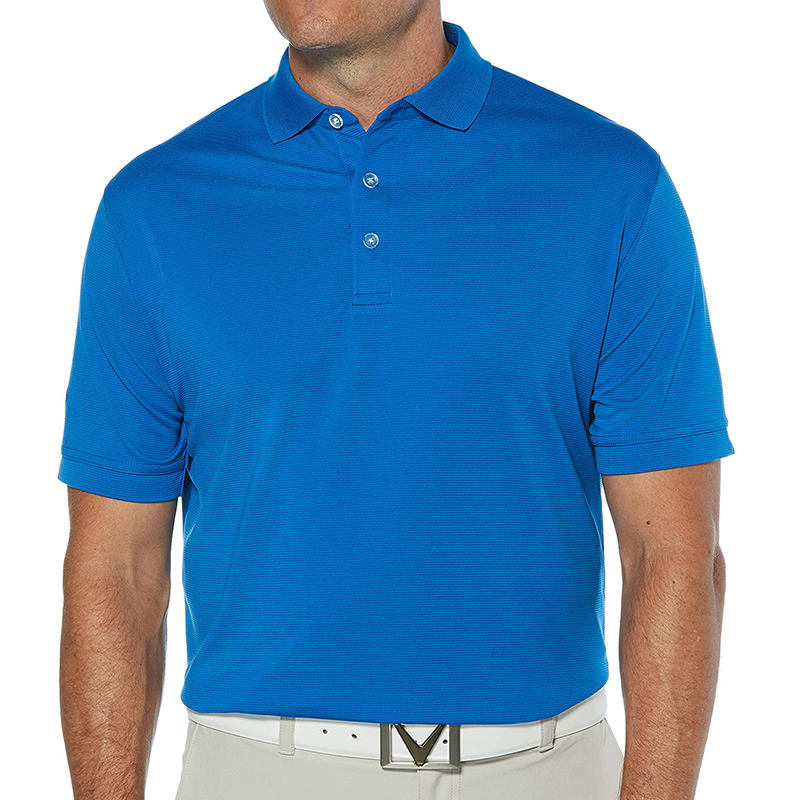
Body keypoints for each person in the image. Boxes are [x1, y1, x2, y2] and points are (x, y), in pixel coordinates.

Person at [57, 2, 735, 799]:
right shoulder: (155, 208)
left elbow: (672, 553)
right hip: (257, 771)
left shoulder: (611, 184)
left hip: (544, 769)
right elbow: (116, 569)